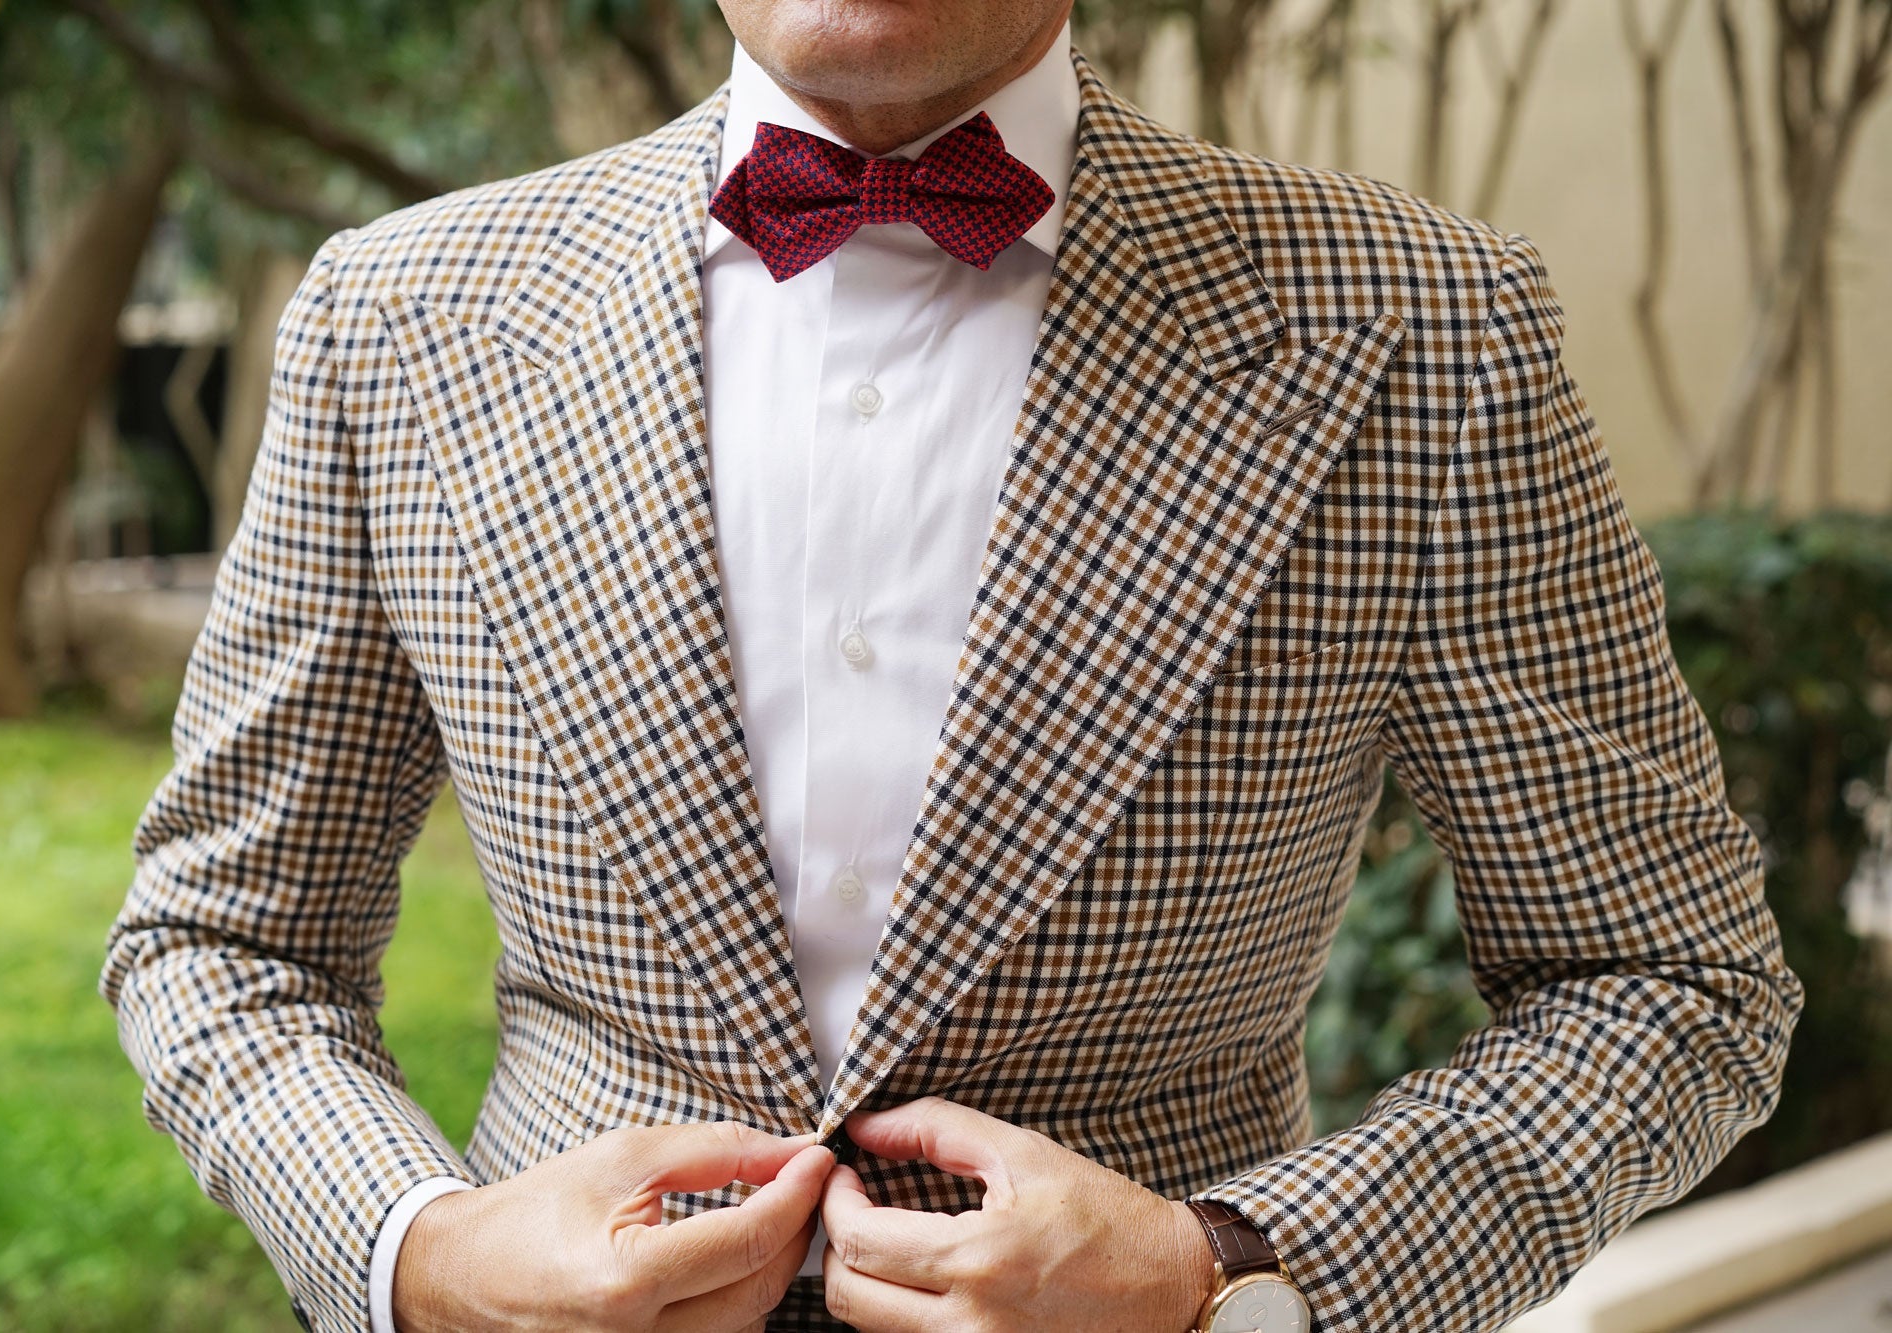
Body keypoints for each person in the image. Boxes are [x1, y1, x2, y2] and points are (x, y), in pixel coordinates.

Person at [99, 1, 1803, 1329]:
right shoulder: (400, 319)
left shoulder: (1426, 330)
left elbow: (1673, 982)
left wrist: (1231, 1269)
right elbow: (224, 938)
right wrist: (426, 1253)